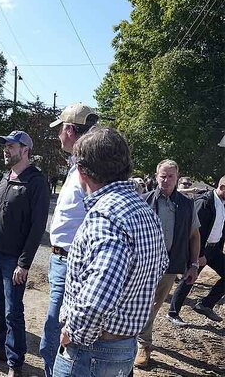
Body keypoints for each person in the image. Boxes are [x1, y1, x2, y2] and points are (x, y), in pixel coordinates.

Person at [53, 127, 168, 377]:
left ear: (82, 172)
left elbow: (97, 298)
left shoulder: (105, 217)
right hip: (122, 346)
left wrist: (73, 332)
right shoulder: (144, 211)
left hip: (92, 351)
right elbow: (159, 266)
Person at [0, 131, 49, 377]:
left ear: (25, 150)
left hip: (14, 260)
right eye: (5, 146)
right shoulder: (7, 177)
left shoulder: (36, 181)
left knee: (13, 311)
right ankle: (0, 347)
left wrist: (25, 263)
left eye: (11, 146)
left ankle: (15, 363)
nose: (5, 150)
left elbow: (38, 226)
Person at [39, 103, 99, 377]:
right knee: (56, 325)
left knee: (57, 327)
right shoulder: (78, 167)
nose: (58, 136)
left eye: (60, 129)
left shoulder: (90, 172)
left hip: (72, 260)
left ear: (70, 130)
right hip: (61, 258)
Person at [135, 159, 201, 368]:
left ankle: (144, 344)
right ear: (156, 176)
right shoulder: (142, 201)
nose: (166, 180)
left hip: (170, 266)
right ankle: (131, 339)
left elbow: (194, 235)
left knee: (153, 306)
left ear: (177, 178)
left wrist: (194, 264)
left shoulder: (187, 204)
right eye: (163, 175)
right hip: (143, 264)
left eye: (171, 176)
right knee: (139, 303)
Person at [168, 175, 225, 324]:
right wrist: (199, 254)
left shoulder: (222, 203)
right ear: (222, 187)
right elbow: (195, 230)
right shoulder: (205, 202)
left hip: (214, 249)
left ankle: (205, 305)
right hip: (200, 248)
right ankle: (173, 313)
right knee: (189, 278)